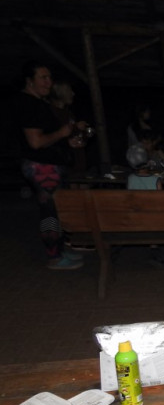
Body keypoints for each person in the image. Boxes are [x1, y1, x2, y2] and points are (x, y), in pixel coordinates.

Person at [12, 60, 85, 270]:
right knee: (49, 211)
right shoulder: (28, 104)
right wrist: (62, 133)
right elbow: (35, 142)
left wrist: (66, 143)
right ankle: (54, 257)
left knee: (56, 209)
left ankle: (59, 249)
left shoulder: (38, 103)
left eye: (49, 77)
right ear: (30, 81)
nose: (48, 82)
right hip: (41, 167)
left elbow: (47, 138)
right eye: (43, 78)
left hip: (49, 163)